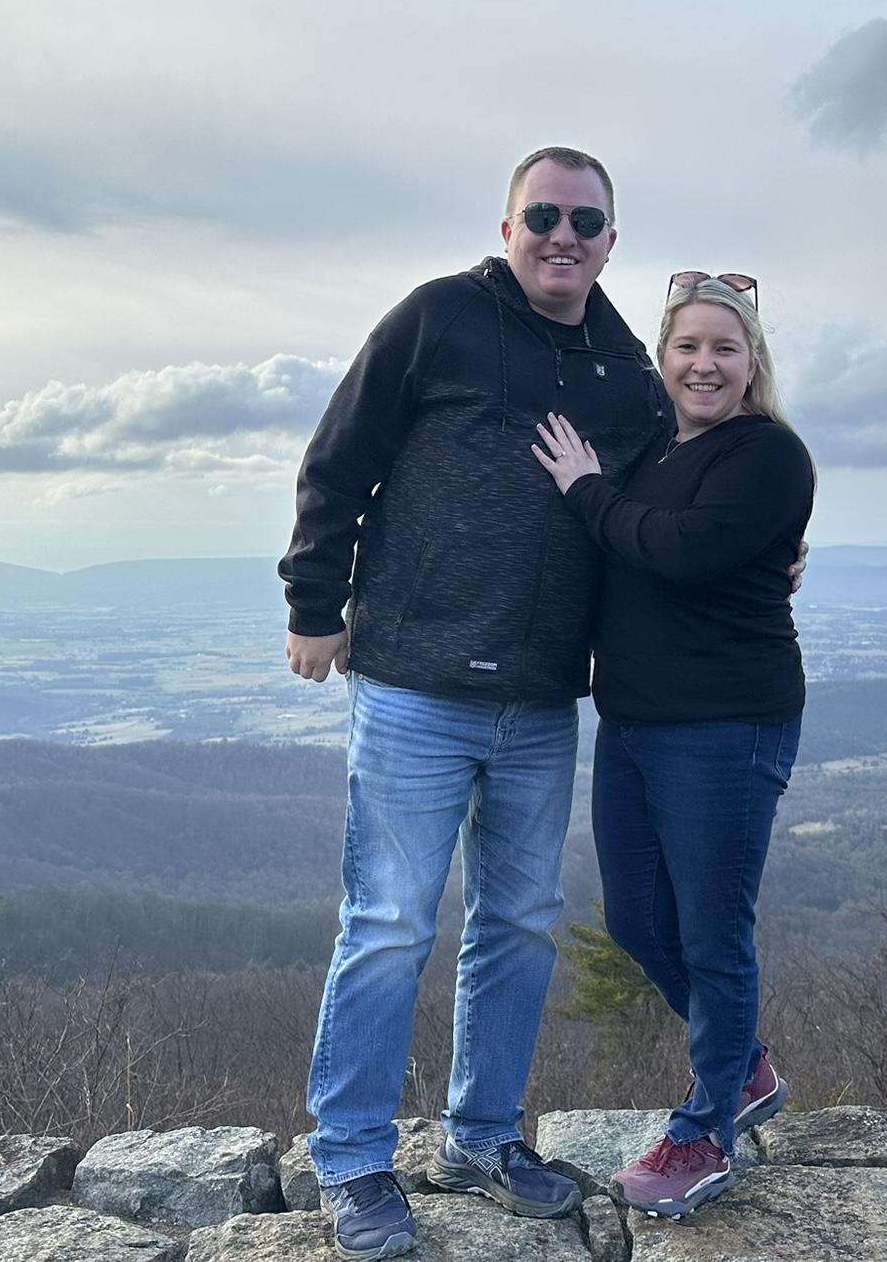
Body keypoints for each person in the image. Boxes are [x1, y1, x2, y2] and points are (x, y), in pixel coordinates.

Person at [279, 146, 669, 1261]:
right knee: (391, 923)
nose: (563, 235)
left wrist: (762, 544)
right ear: (507, 228)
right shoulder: (438, 318)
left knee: (517, 926)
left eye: (584, 222)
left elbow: (668, 490)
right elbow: (339, 458)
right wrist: (315, 605)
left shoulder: (624, 365)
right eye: (541, 214)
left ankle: (482, 1137)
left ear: (609, 242)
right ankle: (352, 1158)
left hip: (545, 698)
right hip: (413, 685)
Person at [531, 271, 814, 1219]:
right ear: (662, 360)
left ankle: (703, 1136)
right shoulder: (657, 449)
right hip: (637, 722)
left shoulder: (769, 456)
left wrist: (584, 490)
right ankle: (744, 1062)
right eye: (685, 346)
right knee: (637, 922)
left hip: (728, 728)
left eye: (724, 348)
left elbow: (678, 549)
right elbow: (645, 535)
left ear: (753, 363)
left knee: (712, 932)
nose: (704, 363)